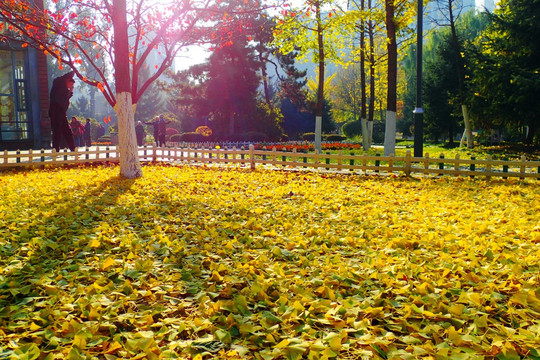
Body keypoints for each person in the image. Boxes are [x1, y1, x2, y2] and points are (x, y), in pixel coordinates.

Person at [49, 71, 76, 152]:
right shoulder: (59, 84)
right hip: (56, 111)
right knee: (57, 131)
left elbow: (65, 100)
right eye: (71, 84)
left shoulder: (64, 89)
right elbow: (62, 99)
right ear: (67, 80)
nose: (71, 87)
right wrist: (73, 72)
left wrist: (70, 92)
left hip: (61, 112)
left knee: (67, 131)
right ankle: (55, 149)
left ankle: (72, 149)